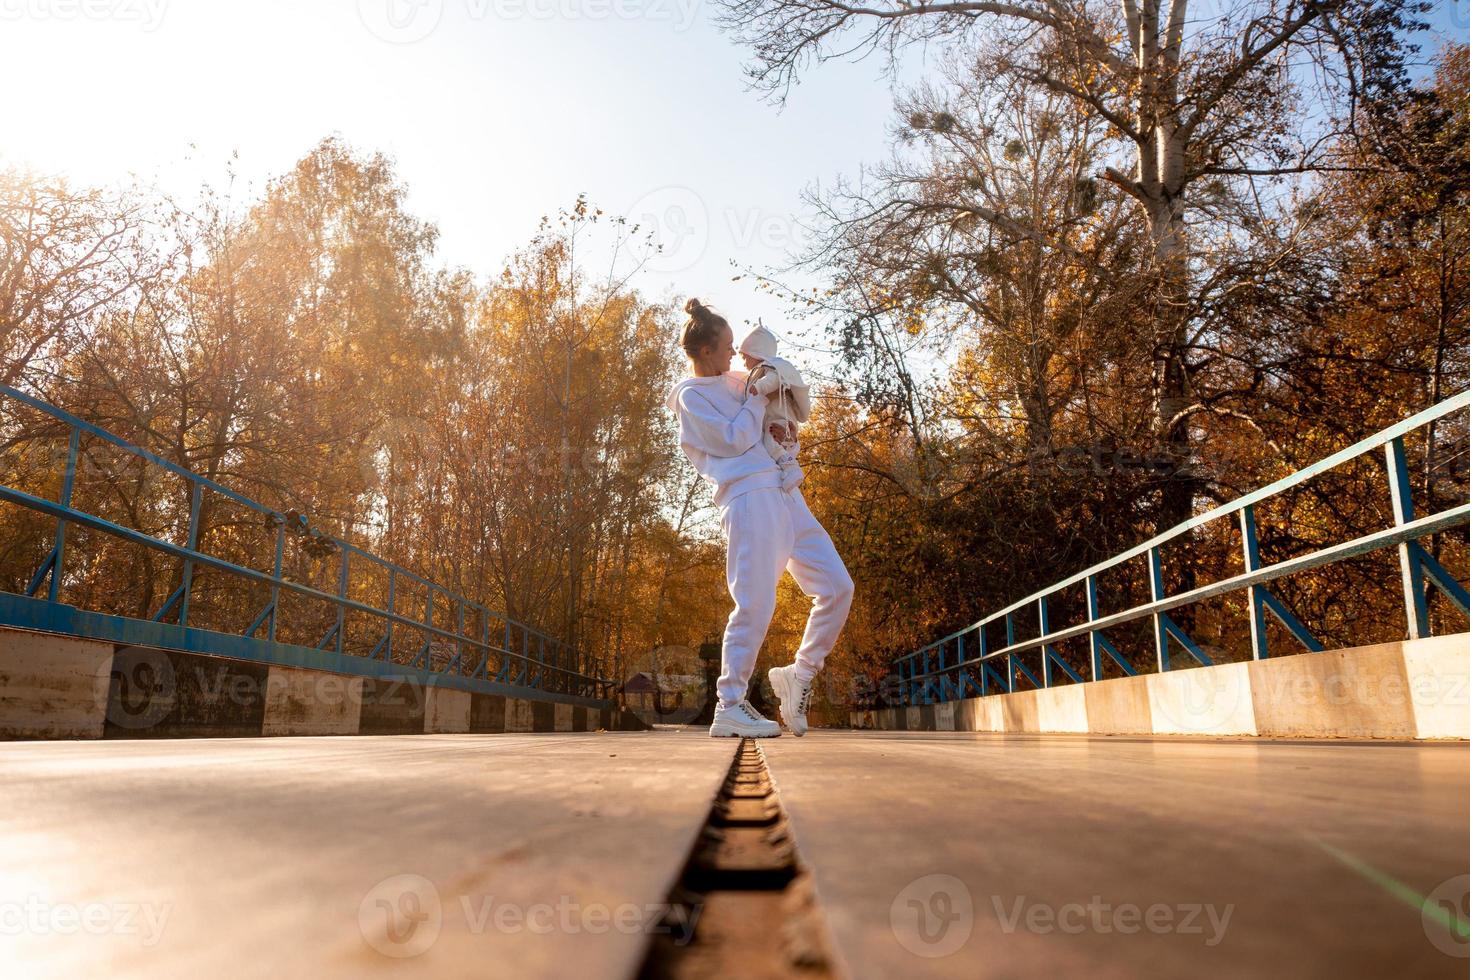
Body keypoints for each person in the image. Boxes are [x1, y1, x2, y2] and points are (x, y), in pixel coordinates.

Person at [664, 297, 855, 738]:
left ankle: (800, 675)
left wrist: (773, 379)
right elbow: (733, 439)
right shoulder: (692, 398)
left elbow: (779, 382)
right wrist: (755, 400)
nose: (734, 353)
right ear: (706, 351)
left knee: (837, 588)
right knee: (755, 602)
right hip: (749, 496)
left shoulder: (734, 378)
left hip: (786, 492)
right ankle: (729, 704)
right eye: (727, 346)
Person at [739, 322, 812, 492]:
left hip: (779, 416)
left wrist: (760, 388)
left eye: (745, 356)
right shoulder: (753, 373)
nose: (743, 360)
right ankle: (788, 468)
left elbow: (774, 380)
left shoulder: (772, 367)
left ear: (757, 353)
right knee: (772, 440)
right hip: (772, 420)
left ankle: (790, 468)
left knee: (772, 439)